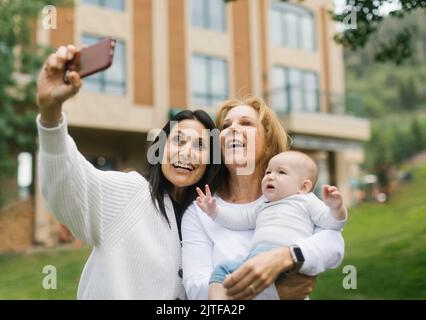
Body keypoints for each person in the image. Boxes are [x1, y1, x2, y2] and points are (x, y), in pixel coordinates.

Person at [35, 44, 221, 299]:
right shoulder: (131, 193)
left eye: (200, 145)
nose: (187, 152)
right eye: (178, 140)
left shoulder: (209, 215)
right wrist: (50, 114)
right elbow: (70, 187)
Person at [181, 97, 346, 300]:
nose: (232, 128)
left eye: (246, 123)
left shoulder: (292, 196)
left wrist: (285, 257)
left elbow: (333, 243)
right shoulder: (200, 211)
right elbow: (197, 288)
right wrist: (274, 293)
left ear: (268, 144)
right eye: (225, 125)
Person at [195, 151, 347, 299]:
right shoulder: (263, 205)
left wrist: (336, 209)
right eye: (268, 172)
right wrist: (214, 211)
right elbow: (238, 219)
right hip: (254, 260)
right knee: (222, 270)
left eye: (281, 172)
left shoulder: (306, 201)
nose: (270, 177)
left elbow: (331, 224)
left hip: (285, 263)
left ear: (303, 187)